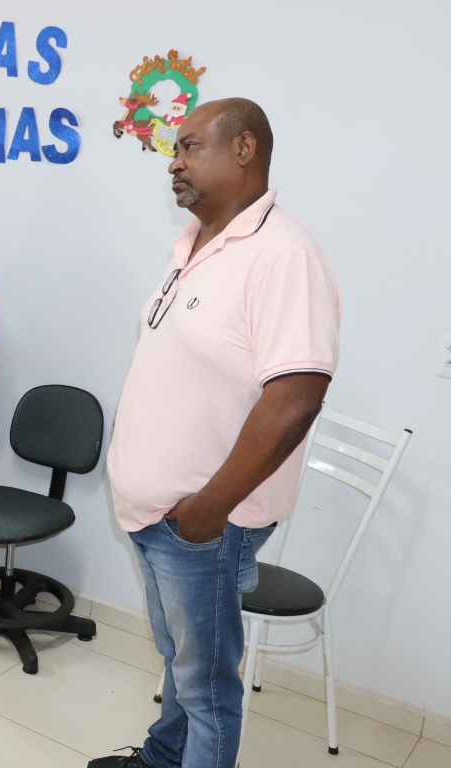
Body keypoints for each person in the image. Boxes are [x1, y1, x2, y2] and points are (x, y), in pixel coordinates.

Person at [95, 99, 341, 768]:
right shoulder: (194, 246)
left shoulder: (283, 254)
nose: (173, 162)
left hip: (203, 524)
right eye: (174, 149)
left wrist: (209, 509)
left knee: (207, 690)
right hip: (156, 515)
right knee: (180, 659)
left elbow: (295, 400)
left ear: (244, 149)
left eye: (189, 146)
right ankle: (161, 757)